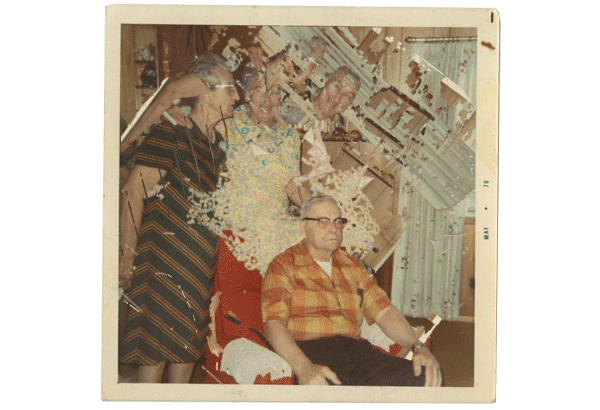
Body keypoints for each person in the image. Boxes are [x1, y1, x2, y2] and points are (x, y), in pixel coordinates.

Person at [118, 53, 240, 383]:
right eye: (230, 88)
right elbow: (132, 191)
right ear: (206, 93)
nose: (237, 96)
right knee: (153, 359)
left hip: (198, 272)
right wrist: (127, 257)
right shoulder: (172, 133)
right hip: (164, 267)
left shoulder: (218, 146)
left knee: (186, 355)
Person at [261, 195, 443, 386]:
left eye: (338, 221)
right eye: (323, 222)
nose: (333, 228)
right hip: (309, 353)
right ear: (303, 227)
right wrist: (304, 368)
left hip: (356, 353)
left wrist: (418, 346)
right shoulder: (283, 265)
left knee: (424, 378)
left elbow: (384, 311)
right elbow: (274, 324)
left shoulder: (353, 266)